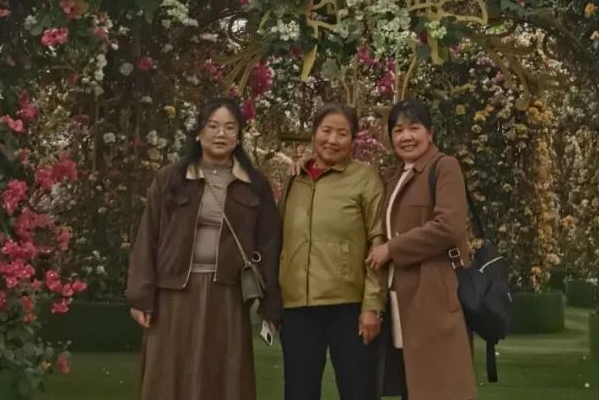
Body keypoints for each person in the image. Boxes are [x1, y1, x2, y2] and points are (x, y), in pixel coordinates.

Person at [125, 97, 282, 400]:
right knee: (169, 374)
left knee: (224, 374)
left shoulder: (254, 185)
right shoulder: (170, 179)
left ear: (239, 137)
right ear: (198, 133)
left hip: (228, 295)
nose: (220, 134)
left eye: (229, 127)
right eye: (212, 126)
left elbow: (269, 244)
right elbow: (147, 239)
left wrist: (271, 307)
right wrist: (141, 297)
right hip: (174, 294)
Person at [365, 98, 476, 400]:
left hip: (434, 300)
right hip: (401, 302)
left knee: (439, 388)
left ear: (430, 133)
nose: (406, 136)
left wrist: (392, 248)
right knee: (411, 385)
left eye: (414, 128)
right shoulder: (396, 178)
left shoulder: (444, 167)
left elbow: (448, 226)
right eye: (398, 130)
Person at [279, 103, 387, 400]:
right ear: (314, 133)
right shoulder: (295, 178)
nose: (332, 140)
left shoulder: (365, 177)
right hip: (298, 307)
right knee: (298, 392)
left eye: (342, 133)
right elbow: (280, 238)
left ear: (353, 140)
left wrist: (372, 305)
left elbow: (378, 241)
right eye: (326, 131)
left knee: (358, 391)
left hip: (348, 308)